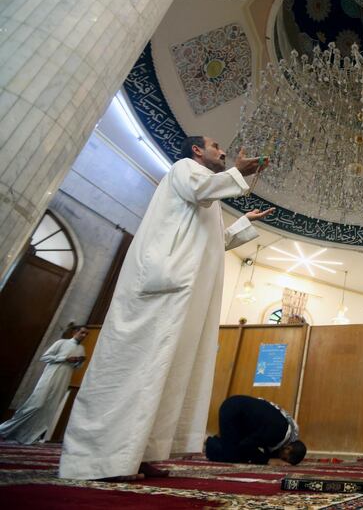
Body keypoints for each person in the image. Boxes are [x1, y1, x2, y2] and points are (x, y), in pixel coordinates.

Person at [59, 136, 273, 481]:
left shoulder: (209, 197)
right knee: (138, 368)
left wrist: (244, 220)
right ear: (196, 151)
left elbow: (215, 242)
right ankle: (100, 459)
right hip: (162, 287)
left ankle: (138, 453)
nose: (223, 151)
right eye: (215, 145)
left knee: (166, 373)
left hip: (184, 294)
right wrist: (237, 173)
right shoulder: (184, 170)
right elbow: (201, 190)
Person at [0, 326, 88, 444]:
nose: (84, 336)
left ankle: (29, 437)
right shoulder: (61, 343)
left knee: (49, 409)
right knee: (36, 404)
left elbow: (77, 368)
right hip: (51, 375)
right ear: (75, 332)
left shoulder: (81, 349)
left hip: (64, 379)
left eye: (86, 334)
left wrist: (79, 362)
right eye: (82, 332)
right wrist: (65, 358)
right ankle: (4, 429)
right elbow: (45, 357)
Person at [205, 395, 306, 466]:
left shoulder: (284, 432)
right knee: (233, 457)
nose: (280, 461)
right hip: (233, 412)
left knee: (243, 454)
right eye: (284, 459)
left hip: (240, 412)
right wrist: (267, 460)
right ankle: (209, 442)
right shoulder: (276, 433)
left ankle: (222, 439)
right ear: (287, 449)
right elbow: (246, 445)